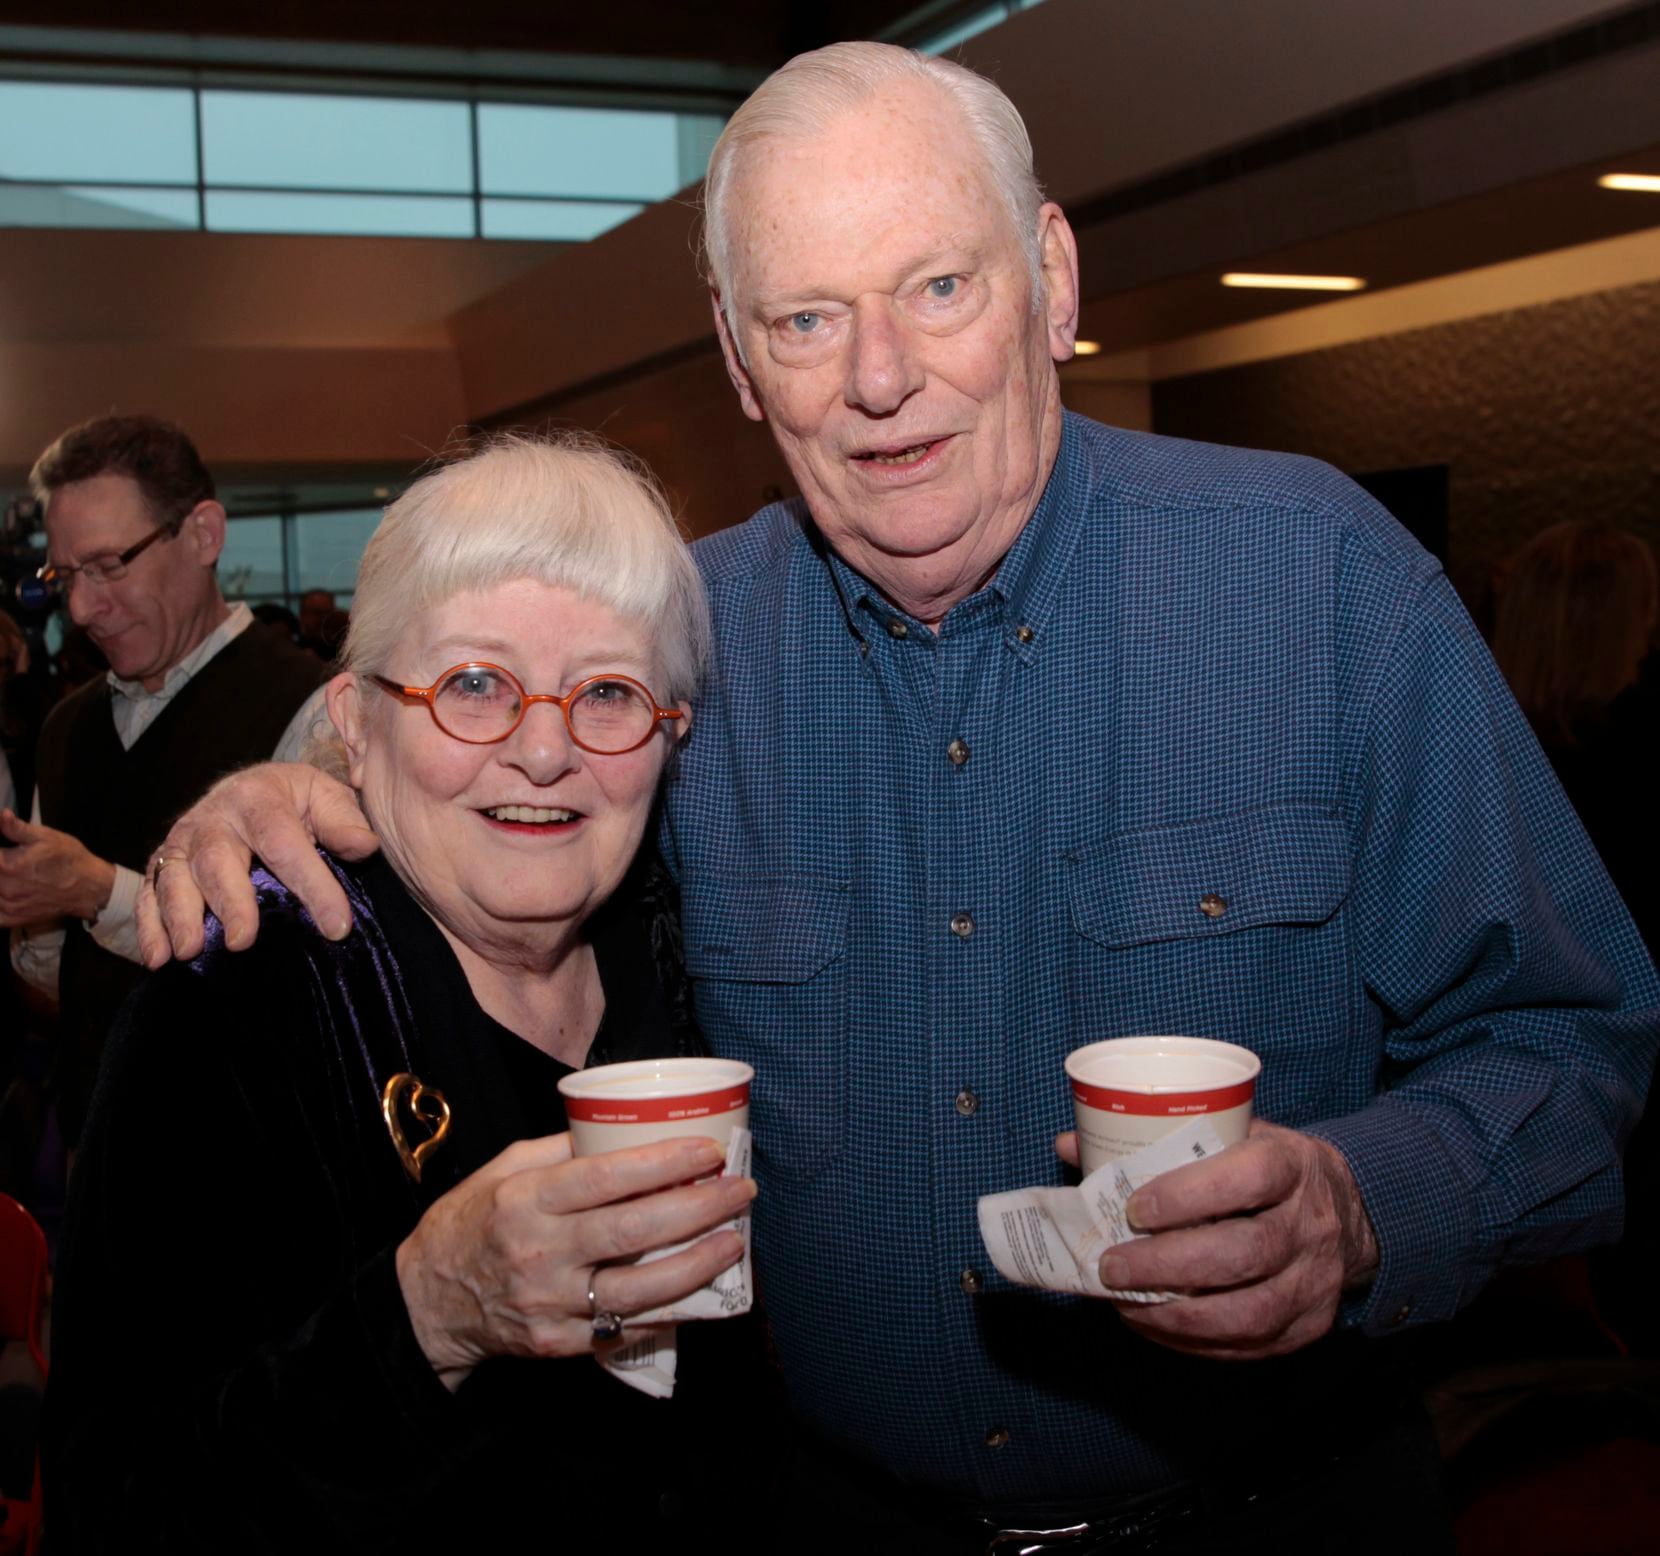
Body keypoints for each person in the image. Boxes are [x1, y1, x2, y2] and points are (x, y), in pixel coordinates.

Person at [140, 42, 1659, 1553]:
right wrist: (286, 785)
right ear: (740, 360)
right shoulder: (686, 646)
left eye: (939, 287)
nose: (879, 379)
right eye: (808, 318)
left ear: (1053, 280)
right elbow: (498, 763)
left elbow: (1573, 1033)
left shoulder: (1320, 583)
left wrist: (1365, 1202)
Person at [43, 435, 761, 1551]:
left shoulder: (692, 957)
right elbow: (118, 1500)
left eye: (608, 691)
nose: (541, 747)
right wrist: (425, 1317)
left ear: (668, 738)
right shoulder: (234, 1008)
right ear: (356, 723)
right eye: (474, 682)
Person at [0, 415, 332, 1149]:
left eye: (110, 565)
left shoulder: (312, 710)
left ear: (204, 536)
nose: (82, 610)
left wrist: (96, 891)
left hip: (250, 1163)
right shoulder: (65, 728)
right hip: (96, 1149)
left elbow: (314, 970)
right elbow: (60, 979)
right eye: (66, 577)